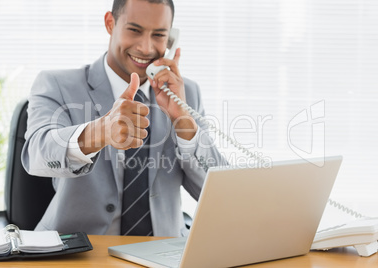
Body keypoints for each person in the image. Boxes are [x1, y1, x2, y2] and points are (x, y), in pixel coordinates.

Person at [21, 0, 226, 237]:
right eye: (135, 30)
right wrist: (101, 131)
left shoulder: (185, 93)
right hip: (77, 252)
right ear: (110, 23)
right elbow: (36, 154)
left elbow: (219, 194)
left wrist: (184, 124)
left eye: (159, 35)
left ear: (171, 39)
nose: (147, 48)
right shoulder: (57, 84)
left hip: (162, 252)